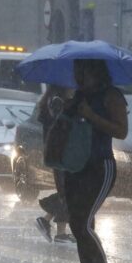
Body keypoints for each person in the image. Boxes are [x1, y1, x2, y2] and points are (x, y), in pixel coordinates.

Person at [63, 59, 127, 263]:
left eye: (83, 70)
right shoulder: (79, 95)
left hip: (100, 166)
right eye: (76, 70)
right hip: (75, 166)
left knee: (82, 223)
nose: (78, 75)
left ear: (95, 71)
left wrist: (91, 116)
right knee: (79, 227)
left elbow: (121, 131)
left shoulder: (112, 96)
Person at [34, 85, 76, 244]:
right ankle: (58, 231)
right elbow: (62, 127)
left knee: (66, 192)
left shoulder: (50, 101)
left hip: (57, 153)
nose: (73, 88)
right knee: (68, 192)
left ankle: (51, 225)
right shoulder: (57, 103)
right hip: (61, 154)